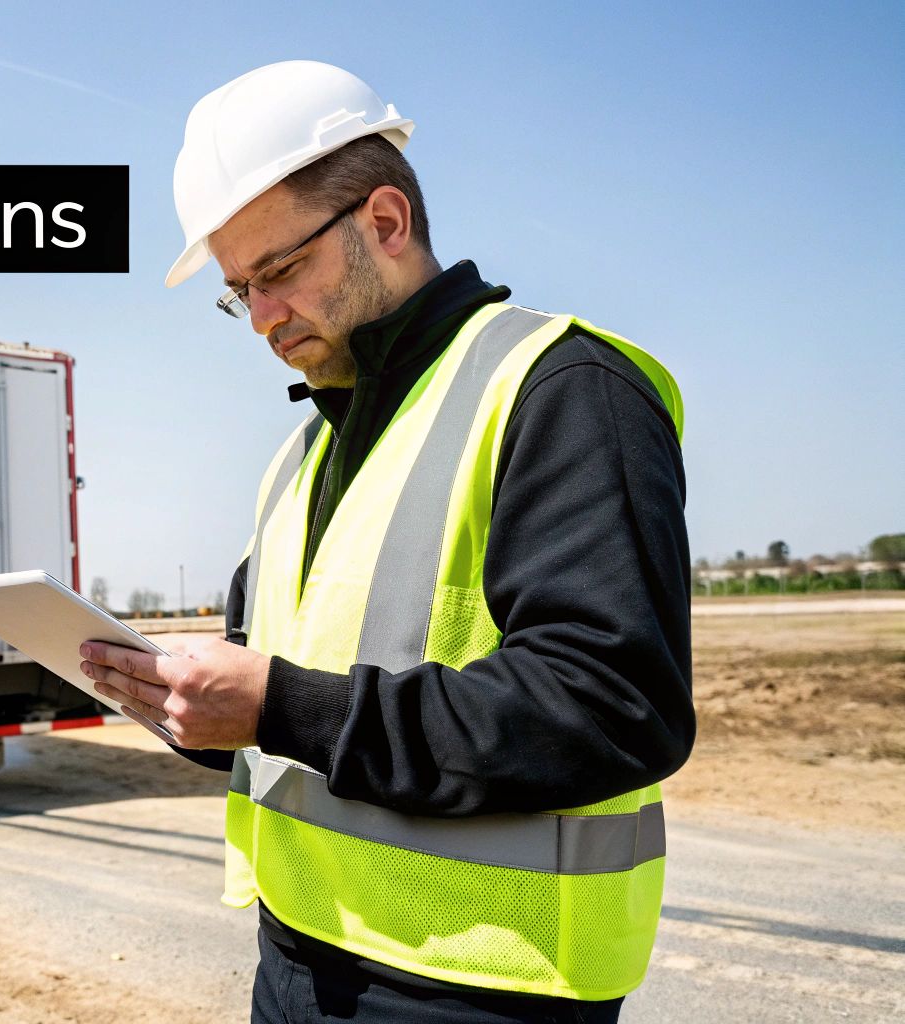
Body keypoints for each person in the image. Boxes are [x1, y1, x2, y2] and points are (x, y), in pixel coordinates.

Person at [78, 61, 692, 1023]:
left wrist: (275, 704)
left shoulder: (559, 390)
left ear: (386, 223)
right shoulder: (303, 453)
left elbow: (612, 707)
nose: (264, 318)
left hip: (480, 988)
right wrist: (186, 703)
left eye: (278, 272)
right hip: (297, 953)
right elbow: (288, 696)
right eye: (241, 293)